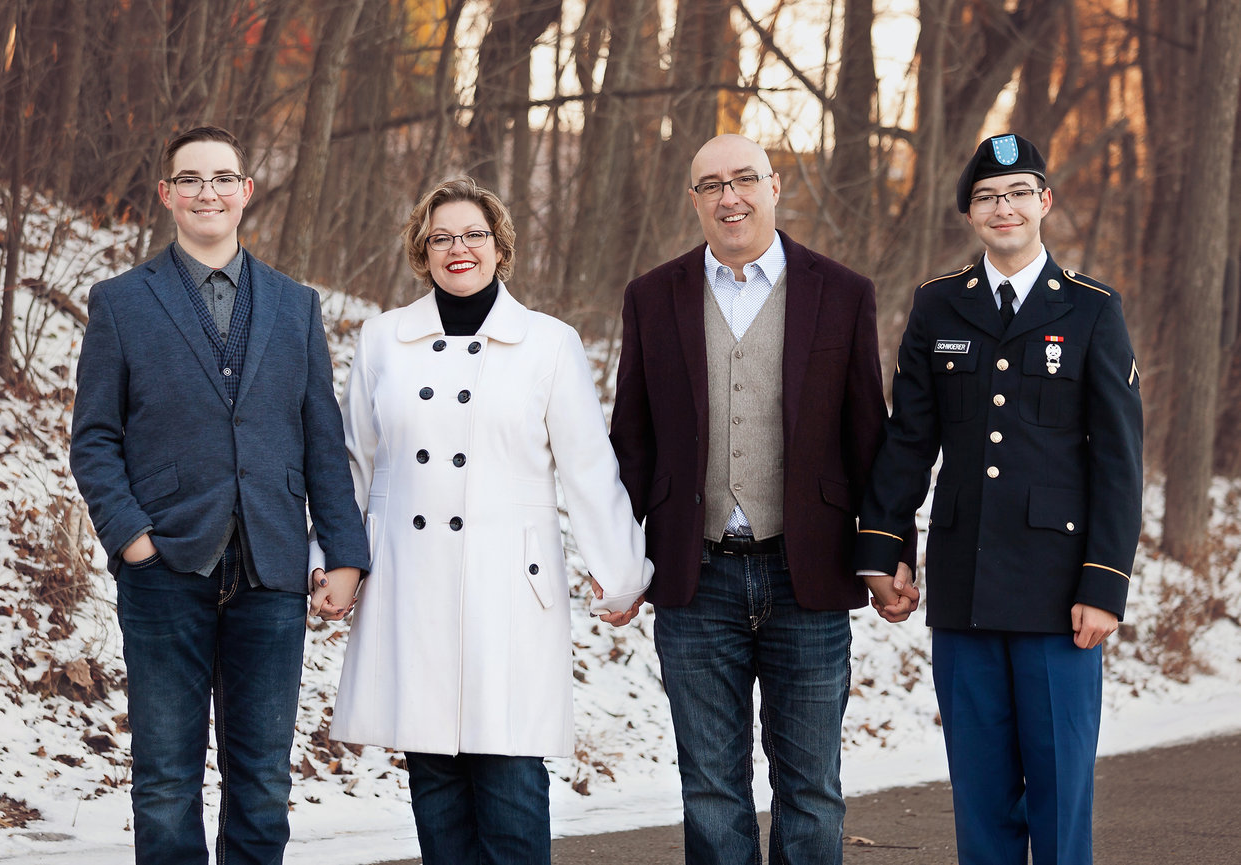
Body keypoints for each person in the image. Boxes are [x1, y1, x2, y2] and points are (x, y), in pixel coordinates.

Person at [311, 176, 653, 865]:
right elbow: (353, 461)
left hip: (510, 588)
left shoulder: (550, 344)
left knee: (509, 777)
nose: (457, 248)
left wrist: (619, 572)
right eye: (441, 237)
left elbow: (589, 467)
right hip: (410, 582)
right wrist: (335, 558)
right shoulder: (383, 339)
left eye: (473, 235)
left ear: (500, 248)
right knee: (434, 778)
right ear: (422, 250)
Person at [608, 133, 917, 865]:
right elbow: (632, 439)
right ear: (694, 200)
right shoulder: (653, 296)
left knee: (812, 790)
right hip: (696, 574)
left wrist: (888, 554)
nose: (729, 196)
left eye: (744, 178)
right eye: (710, 184)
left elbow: (868, 438)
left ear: (776, 186)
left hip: (805, 572)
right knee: (711, 789)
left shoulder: (841, 292)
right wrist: (619, 560)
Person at [69, 126, 368, 865]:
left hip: (271, 566)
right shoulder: (122, 302)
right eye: (191, 179)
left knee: (262, 779)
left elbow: (321, 440)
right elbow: (94, 437)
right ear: (167, 194)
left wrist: (344, 553)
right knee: (167, 778)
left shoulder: (297, 305)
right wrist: (131, 536)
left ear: (246, 192)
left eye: (223, 177)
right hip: (165, 565)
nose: (209, 191)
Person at [854, 133, 1143, 865]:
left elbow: (1118, 460)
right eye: (987, 196)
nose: (1003, 206)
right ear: (971, 215)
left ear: (1044, 202)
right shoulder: (938, 306)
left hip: (1059, 597)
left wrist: (1105, 583)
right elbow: (909, 438)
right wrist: (885, 549)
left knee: (1058, 797)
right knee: (980, 802)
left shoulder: (1091, 310)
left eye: (1018, 192)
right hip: (966, 588)